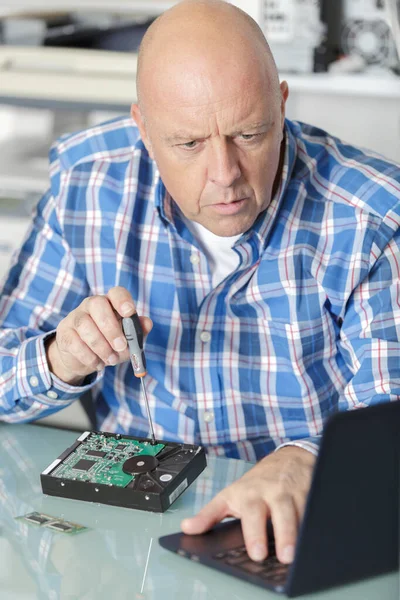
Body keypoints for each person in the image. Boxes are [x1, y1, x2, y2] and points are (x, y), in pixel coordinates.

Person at [1, 0, 399, 566]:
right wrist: (60, 358)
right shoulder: (89, 184)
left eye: (251, 133)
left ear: (282, 105)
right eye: (188, 144)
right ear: (142, 127)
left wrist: (309, 460)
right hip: (127, 544)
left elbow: (390, 412)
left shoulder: (371, 215)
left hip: (300, 532)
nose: (225, 175)